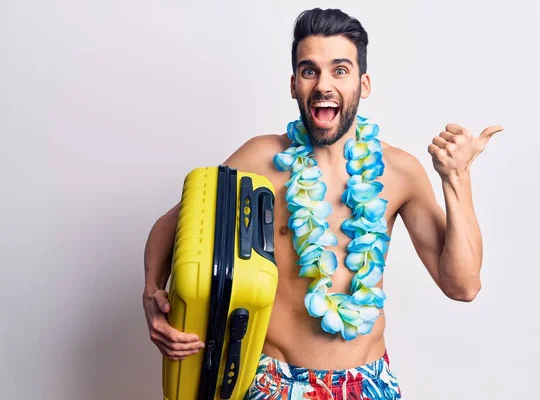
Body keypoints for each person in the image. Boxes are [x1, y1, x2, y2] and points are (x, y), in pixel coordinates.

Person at [143, 7, 502, 399]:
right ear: (294, 83)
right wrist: (151, 293)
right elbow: (174, 223)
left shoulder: (399, 171)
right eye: (310, 70)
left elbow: (463, 286)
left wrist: (457, 178)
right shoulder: (258, 161)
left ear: (364, 84)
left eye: (340, 70)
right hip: (275, 383)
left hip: (369, 384)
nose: (323, 84)